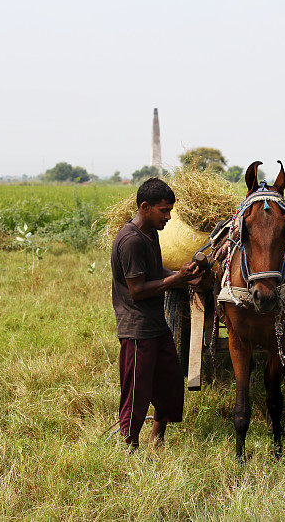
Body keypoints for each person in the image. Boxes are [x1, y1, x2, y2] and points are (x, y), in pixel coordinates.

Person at [111, 177, 204, 451]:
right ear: (144, 207)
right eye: (164, 210)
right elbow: (138, 289)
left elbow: (154, 272)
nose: (168, 216)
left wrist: (182, 276)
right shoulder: (130, 241)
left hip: (156, 324)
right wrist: (176, 280)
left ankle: (157, 439)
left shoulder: (150, 234)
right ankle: (130, 446)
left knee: (170, 384)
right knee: (136, 392)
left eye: (170, 210)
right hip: (136, 328)